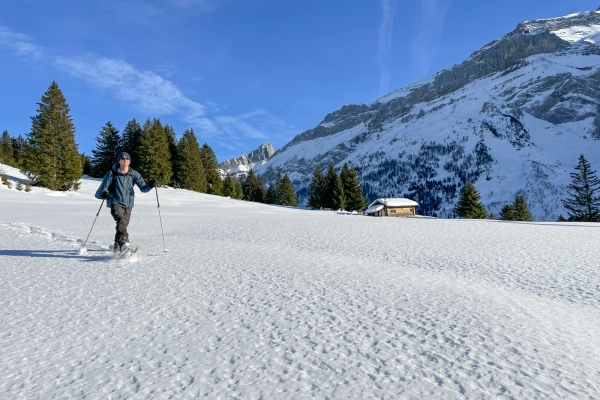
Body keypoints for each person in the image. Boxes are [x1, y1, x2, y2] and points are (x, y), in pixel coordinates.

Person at [95, 152, 154, 253]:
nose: (125, 160)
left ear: (130, 161)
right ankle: (124, 244)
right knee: (121, 221)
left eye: (127, 158)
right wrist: (104, 193)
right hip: (115, 202)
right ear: (119, 161)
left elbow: (143, 188)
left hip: (129, 204)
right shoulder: (112, 173)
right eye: (122, 158)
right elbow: (101, 190)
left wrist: (151, 185)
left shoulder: (134, 174)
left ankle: (117, 246)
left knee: (122, 225)